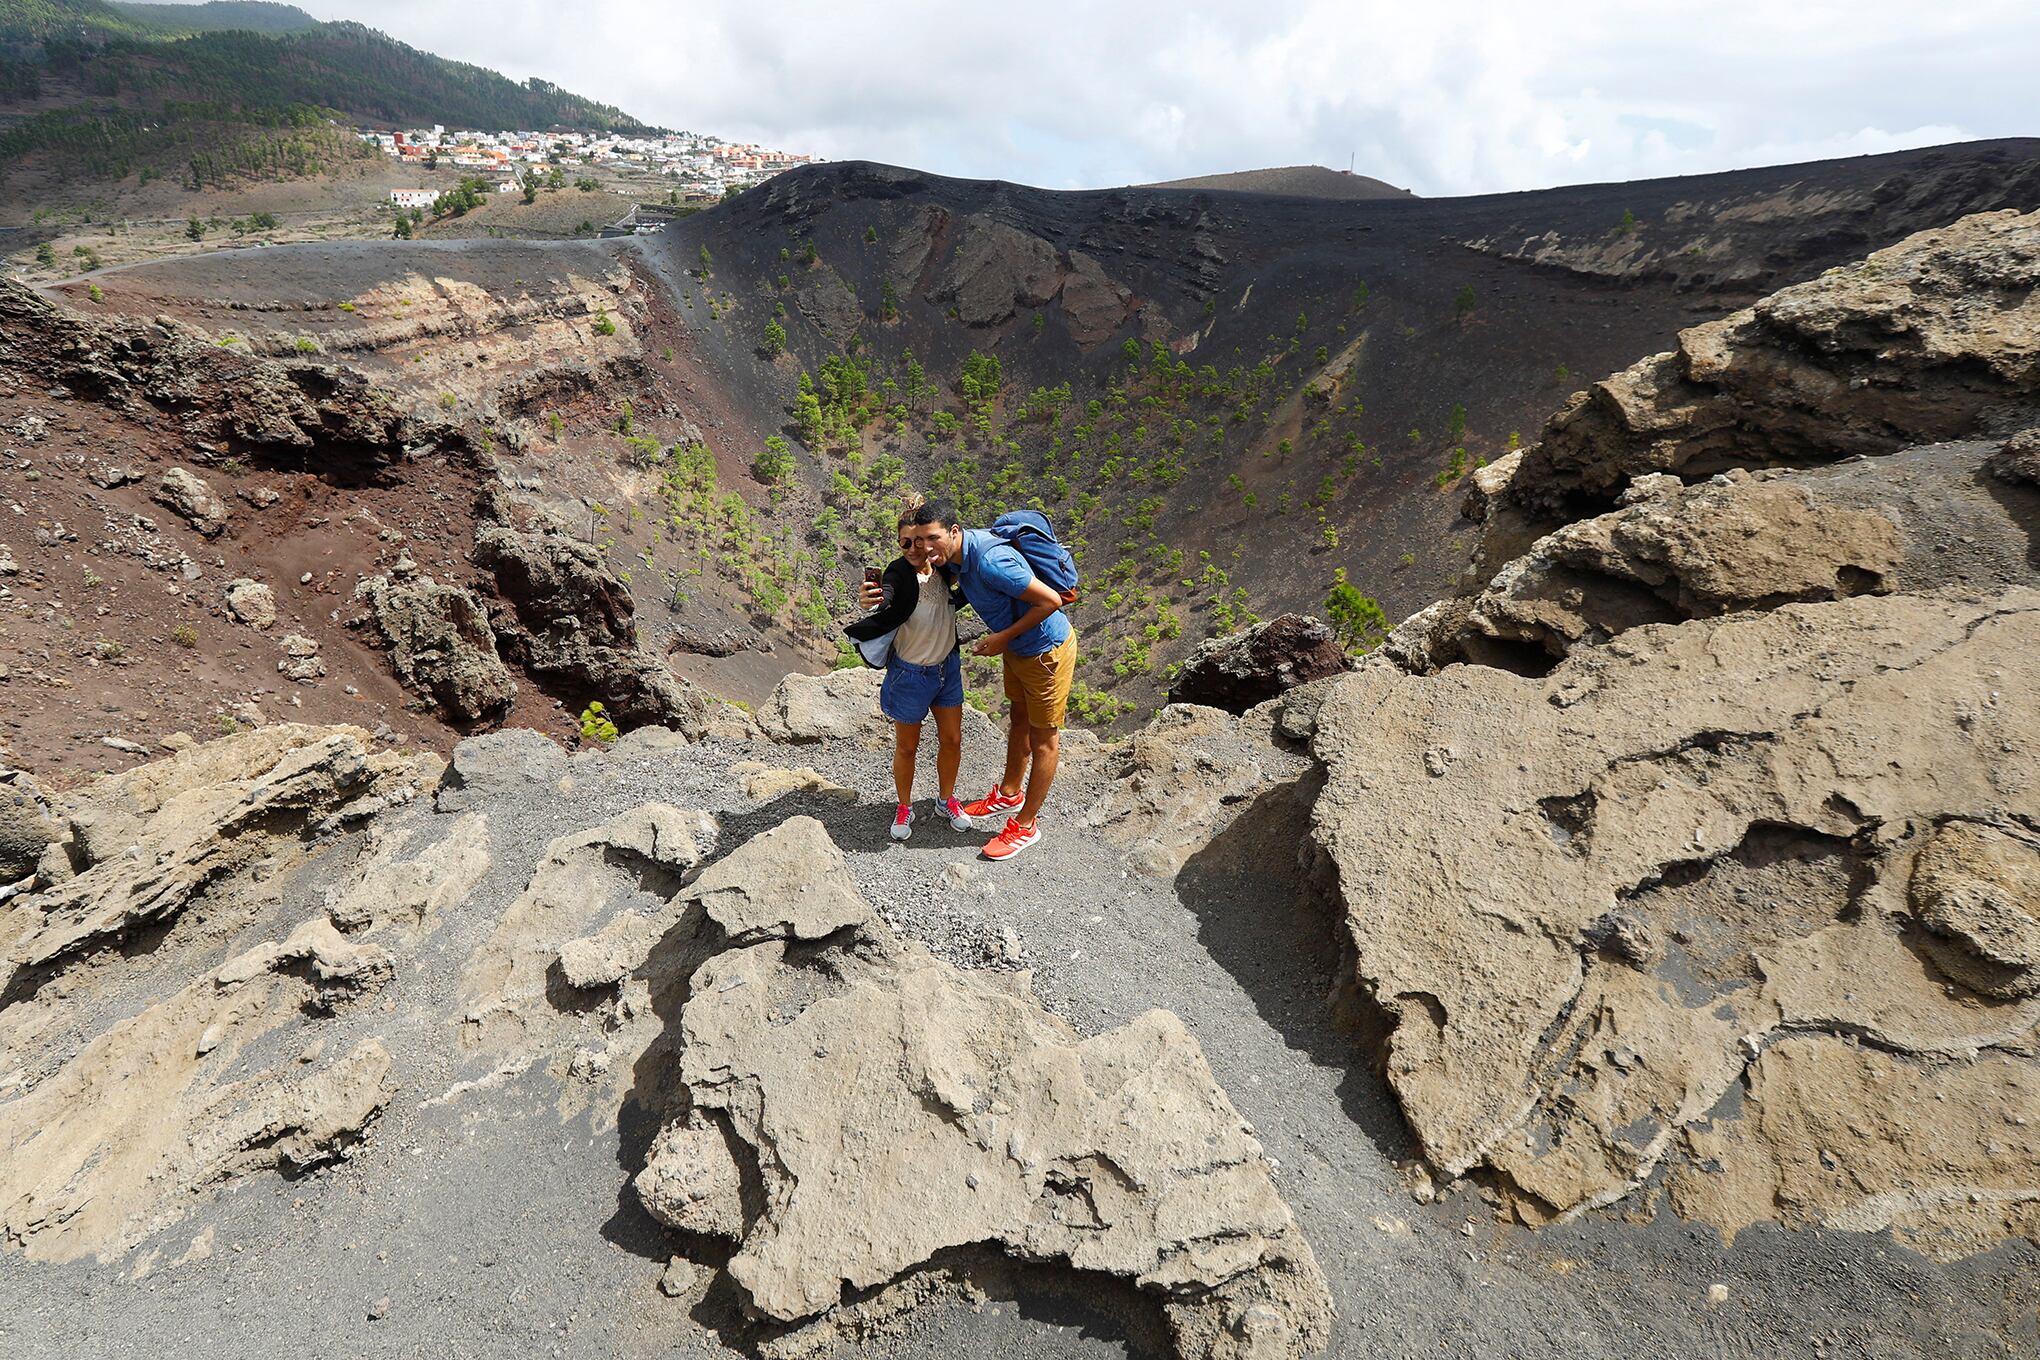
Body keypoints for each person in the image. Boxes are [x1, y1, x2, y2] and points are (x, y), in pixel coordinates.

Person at [866, 500, 1074, 861]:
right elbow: (919, 595)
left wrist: (1002, 638)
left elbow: (1052, 601)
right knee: (1020, 721)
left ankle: (1025, 826)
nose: (927, 549)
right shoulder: (954, 562)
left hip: (1046, 650)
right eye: (918, 541)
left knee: (1043, 740)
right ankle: (1011, 792)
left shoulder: (990, 561)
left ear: (955, 532)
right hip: (1020, 650)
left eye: (934, 539)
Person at [845, 497, 975, 842]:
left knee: (952, 739)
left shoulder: (945, 569)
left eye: (920, 541)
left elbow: (966, 575)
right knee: (907, 747)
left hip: (946, 668)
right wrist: (869, 600)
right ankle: (904, 806)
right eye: (906, 542)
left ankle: (945, 800)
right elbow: (886, 596)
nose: (915, 549)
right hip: (911, 674)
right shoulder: (898, 573)